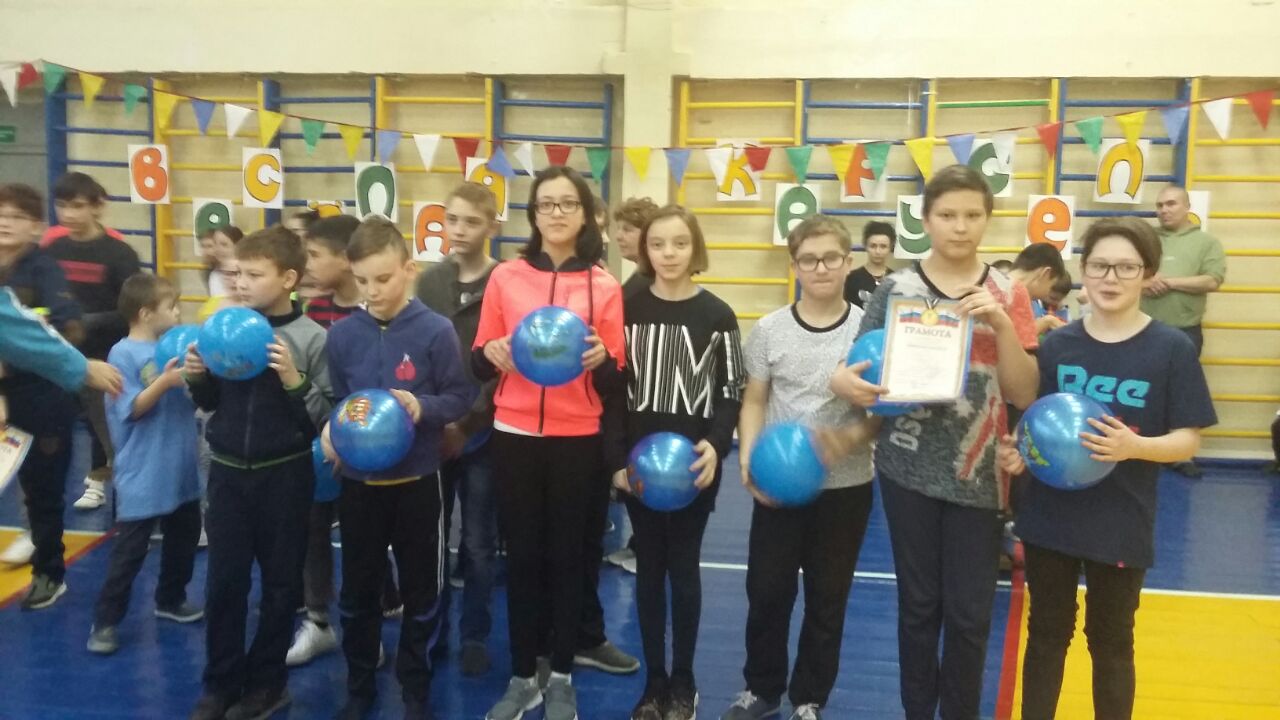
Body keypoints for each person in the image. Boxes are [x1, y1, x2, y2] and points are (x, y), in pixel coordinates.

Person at [830, 164, 1040, 720]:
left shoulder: (1010, 292)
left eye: (972, 215)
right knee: (919, 607)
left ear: (988, 219)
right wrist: (846, 383)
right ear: (925, 220)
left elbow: (1023, 391)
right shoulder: (895, 288)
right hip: (906, 467)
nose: (960, 226)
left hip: (982, 474)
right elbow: (855, 370)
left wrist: (1001, 323)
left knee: (970, 616)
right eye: (947, 214)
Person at [1001, 217, 1217, 720]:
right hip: (1050, 517)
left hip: (1121, 518)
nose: (1110, 277)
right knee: (1046, 634)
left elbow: (1187, 439)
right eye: (1099, 266)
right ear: (1083, 270)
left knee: (1112, 640)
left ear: (1148, 273)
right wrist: (1020, 452)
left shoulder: (1171, 349)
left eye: (1125, 267)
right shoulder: (1058, 345)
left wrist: (1133, 446)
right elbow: (1035, 423)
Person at [475, 167, 625, 720]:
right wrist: (491, 351)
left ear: (585, 215)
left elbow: (616, 377)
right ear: (533, 215)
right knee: (522, 559)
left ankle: (561, 675)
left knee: (569, 559)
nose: (556, 213)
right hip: (514, 434)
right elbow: (479, 357)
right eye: (545, 204)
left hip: (577, 438)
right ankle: (523, 677)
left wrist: (602, 360)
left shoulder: (604, 286)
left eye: (567, 203)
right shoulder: (505, 278)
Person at [722, 216, 877, 720]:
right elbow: (754, 400)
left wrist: (847, 439)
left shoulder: (868, 330)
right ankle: (761, 689)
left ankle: (809, 698)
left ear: (848, 262)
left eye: (831, 258)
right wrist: (748, 457)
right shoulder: (769, 330)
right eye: (809, 259)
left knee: (827, 598)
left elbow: (883, 413)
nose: (821, 268)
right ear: (794, 267)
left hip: (846, 487)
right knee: (767, 592)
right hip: (778, 484)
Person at [323, 216, 475, 720]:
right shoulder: (343, 336)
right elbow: (339, 401)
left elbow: (460, 397)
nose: (372, 291)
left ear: (409, 269)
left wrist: (421, 406)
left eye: (383, 279)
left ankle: (415, 690)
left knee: (422, 592)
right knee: (358, 592)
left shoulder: (436, 330)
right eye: (362, 280)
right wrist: (332, 431)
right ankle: (360, 687)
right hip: (360, 486)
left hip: (418, 483)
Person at [185, 226, 332, 720]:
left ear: (288, 279)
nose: (241, 283)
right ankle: (220, 684)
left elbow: (319, 422)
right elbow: (210, 403)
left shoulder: (311, 338)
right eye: (237, 274)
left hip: (285, 477)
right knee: (224, 585)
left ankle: (268, 684)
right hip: (228, 475)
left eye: (253, 274)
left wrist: (293, 379)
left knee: (281, 587)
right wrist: (197, 376)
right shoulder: (224, 327)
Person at [607, 205, 745, 720]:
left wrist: (716, 443)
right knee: (649, 570)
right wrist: (615, 462)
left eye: (679, 243)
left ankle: (683, 680)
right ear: (645, 250)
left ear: (695, 248)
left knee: (684, 569)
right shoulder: (625, 307)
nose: (668, 254)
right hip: (638, 469)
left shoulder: (718, 314)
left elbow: (730, 390)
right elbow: (612, 392)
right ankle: (654, 681)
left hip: (693, 469)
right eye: (658, 244)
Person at [88, 274, 204, 654]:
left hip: (180, 466)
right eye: (171, 306)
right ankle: (105, 621)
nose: (178, 312)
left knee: (184, 537)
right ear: (145, 313)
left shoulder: (175, 347)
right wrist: (165, 382)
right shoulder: (122, 354)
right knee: (130, 552)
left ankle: (170, 598)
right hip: (143, 470)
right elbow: (132, 409)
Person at [414, 182, 501, 677]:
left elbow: (506, 363)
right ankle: (435, 628)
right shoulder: (430, 283)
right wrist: (436, 417)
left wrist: (467, 424)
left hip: (485, 434)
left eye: (471, 221)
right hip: (433, 430)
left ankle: (474, 635)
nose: (459, 230)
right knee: (432, 538)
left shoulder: (505, 282)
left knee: (479, 544)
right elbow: (419, 355)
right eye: (452, 219)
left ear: (492, 226)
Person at [0, 183, 86, 608]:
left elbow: (70, 328)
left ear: (36, 226)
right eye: (0, 214)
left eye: (16, 216)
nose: (5, 222)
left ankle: (49, 571)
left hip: (40, 393)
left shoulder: (43, 269)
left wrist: (30, 347)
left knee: (42, 490)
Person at [285, 213, 364, 669]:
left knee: (363, 535)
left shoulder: (374, 313)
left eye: (315, 255)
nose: (307, 263)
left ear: (346, 258)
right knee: (313, 529)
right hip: (317, 443)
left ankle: (367, 616)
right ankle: (317, 620)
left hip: (363, 446)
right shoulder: (312, 311)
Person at [42, 172, 141, 512]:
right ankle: (47, 499)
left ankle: (107, 484)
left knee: (107, 428)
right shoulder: (53, 249)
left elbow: (131, 309)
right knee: (53, 428)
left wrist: (88, 321)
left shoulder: (120, 254)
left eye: (78, 206)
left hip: (104, 355)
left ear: (98, 207)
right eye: (62, 206)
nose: (68, 214)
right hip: (60, 356)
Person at [1140, 185, 1226, 478]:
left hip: (1185, 330)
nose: (1164, 210)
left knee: (1182, 394)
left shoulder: (1207, 243)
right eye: (1159, 205)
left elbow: (1212, 280)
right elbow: (1129, 273)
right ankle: (1143, 449)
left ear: (1187, 207)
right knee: (1142, 390)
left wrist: (1169, 282)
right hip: (1142, 329)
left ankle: (1181, 454)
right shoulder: (1146, 240)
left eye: (1171, 204)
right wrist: (1146, 282)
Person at [613, 197, 660, 301]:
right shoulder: (641, 278)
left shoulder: (653, 284)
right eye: (618, 228)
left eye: (627, 230)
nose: (618, 236)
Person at [842, 220, 895, 309]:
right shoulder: (850, 279)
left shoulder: (896, 280)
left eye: (883, 246)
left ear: (891, 247)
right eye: (873, 246)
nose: (878, 251)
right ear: (865, 245)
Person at [203, 225, 244, 299]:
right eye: (215, 244)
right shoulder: (214, 275)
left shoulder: (247, 275)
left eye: (224, 245)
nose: (218, 249)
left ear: (238, 246)